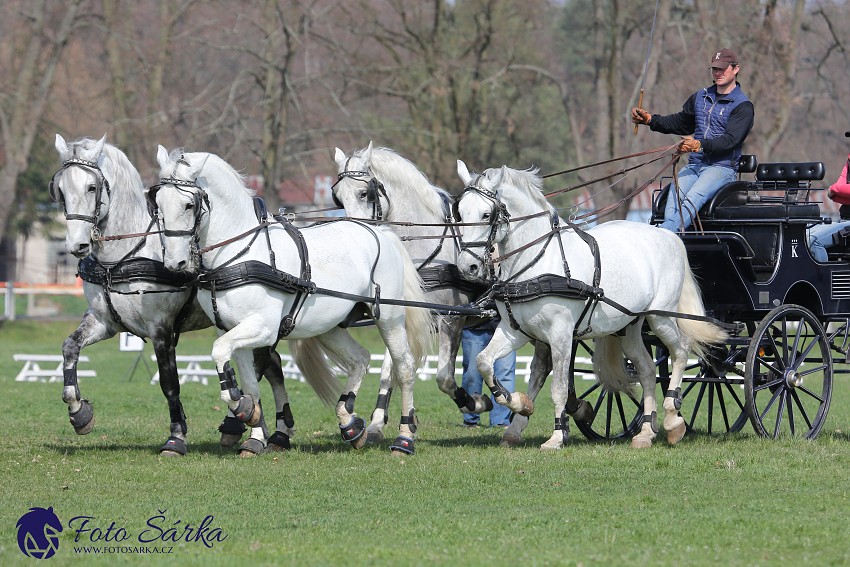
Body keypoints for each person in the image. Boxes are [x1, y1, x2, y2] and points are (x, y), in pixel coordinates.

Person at [632, 48, 755, 232]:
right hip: (695, 165)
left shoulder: (743, 106)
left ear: (736, 69)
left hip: (721, 167)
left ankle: (664, 236)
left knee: (694, 196)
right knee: (673, 195)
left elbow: (730, 141)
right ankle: (672, 239)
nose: (718, 73)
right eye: (714, 69)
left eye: (722, 69)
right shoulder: (700, 97)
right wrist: (651, 120)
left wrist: (699, 145)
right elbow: (681, 123)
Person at [461, 317, 516, 428]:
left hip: (507, 329)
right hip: (474, 325)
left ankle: (500, 421)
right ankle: (470, 420)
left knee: (504, 374)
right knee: (472, 375)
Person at [809, 147, 850, 262]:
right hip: (844, 221)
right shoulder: (849, 161)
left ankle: (823, 279)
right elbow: (834, 194)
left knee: (814, 241)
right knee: (804, 235)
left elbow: (836, 189)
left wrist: (834, 189)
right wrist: (839, 192)